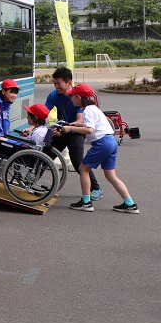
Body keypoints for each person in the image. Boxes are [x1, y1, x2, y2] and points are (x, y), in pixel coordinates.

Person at [64, 84, 139, 214]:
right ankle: (130, 204)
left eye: (72, 96)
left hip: (102, 143)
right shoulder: (94, 108)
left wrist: (71, 128)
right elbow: (92, 124)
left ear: (78, 97)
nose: (71, 98)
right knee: (111, 175)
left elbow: (90, 129)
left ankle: (86, 202)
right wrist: (77, 123)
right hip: (111, 142)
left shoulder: (87, 110)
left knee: (83, 168)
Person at [44, 67, 103, 200]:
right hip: (61, 130)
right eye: (54, 83)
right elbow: (43, 113)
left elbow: (80, 120)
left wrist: (67, 128)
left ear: (69, 82)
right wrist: (33, 126)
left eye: (59, 83)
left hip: (76, 131)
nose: (56, 86)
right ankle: (30, 180)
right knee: (46, 153)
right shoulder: (54, 95)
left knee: (77, 162)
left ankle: (96, 189)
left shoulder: (77, 96)